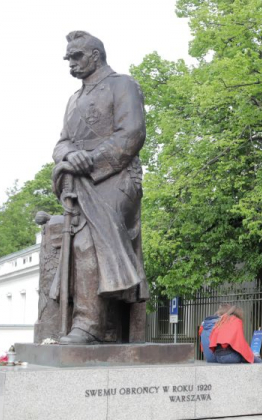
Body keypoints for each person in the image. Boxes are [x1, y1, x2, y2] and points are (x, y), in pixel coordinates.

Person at [51, 31, 148, 344]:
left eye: (77, 56)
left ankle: (89, 324)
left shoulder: (123, 85)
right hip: (81, 182)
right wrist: (70, 155)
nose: (71, 64)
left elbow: (132, 133)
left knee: (88, 242)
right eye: (68, 58)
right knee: (72, 241)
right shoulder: (73, 99)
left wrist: (90, 160)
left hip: (116, 178)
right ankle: (101, 326)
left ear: (95, 54)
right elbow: (61, 143)